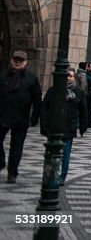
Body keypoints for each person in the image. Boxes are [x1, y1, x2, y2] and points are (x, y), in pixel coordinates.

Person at [40, 67, 88, 185]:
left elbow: (83, 111)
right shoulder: (53, 90)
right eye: (65, 75)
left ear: (74, 77)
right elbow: (44, 108)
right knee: (51, 152)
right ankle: (50, 174)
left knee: (65, 153)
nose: (67, 78)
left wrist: (83, 127)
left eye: (70, 76)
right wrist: (44, 125)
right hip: (54, 127)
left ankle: (62, 176)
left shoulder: (78, 92)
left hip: (69, 127)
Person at [0, 51, 41, 184]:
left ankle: (12, 172)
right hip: (2, 116)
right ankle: (1, 162)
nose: (18, 62)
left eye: (21, 60)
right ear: (11, 60)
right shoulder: (3, 76)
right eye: (16, 60)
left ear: (25, 62)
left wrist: (35, 116)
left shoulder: (31, 78)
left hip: (21, 118)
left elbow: (37, 98)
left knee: (16, 146)